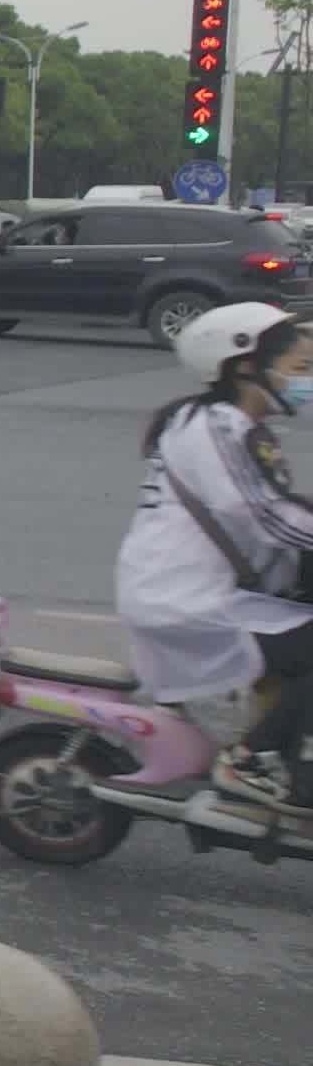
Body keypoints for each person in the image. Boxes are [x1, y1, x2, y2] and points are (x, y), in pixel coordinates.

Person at [117, 302, 313, 813]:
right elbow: (262, 513)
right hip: (187, 601)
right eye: (299, 368)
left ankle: (291, 755)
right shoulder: (218, 426)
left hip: (196, 589)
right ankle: (251, 759)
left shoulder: (217, 423)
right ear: (245, 367)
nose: (306, 380)